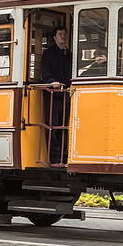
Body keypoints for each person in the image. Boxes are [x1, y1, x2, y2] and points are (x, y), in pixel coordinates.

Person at [40, 27, 73, 164]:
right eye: (60, 34)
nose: (63, 36)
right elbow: (45, 71)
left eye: (64, 34)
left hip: (66, 95)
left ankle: (64, 155)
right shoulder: (49, 54)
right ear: (54, 37)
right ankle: (54, 156)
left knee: (64, 126)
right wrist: (51, 81)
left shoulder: (69, 54)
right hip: (53, 95)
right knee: (52, 126)